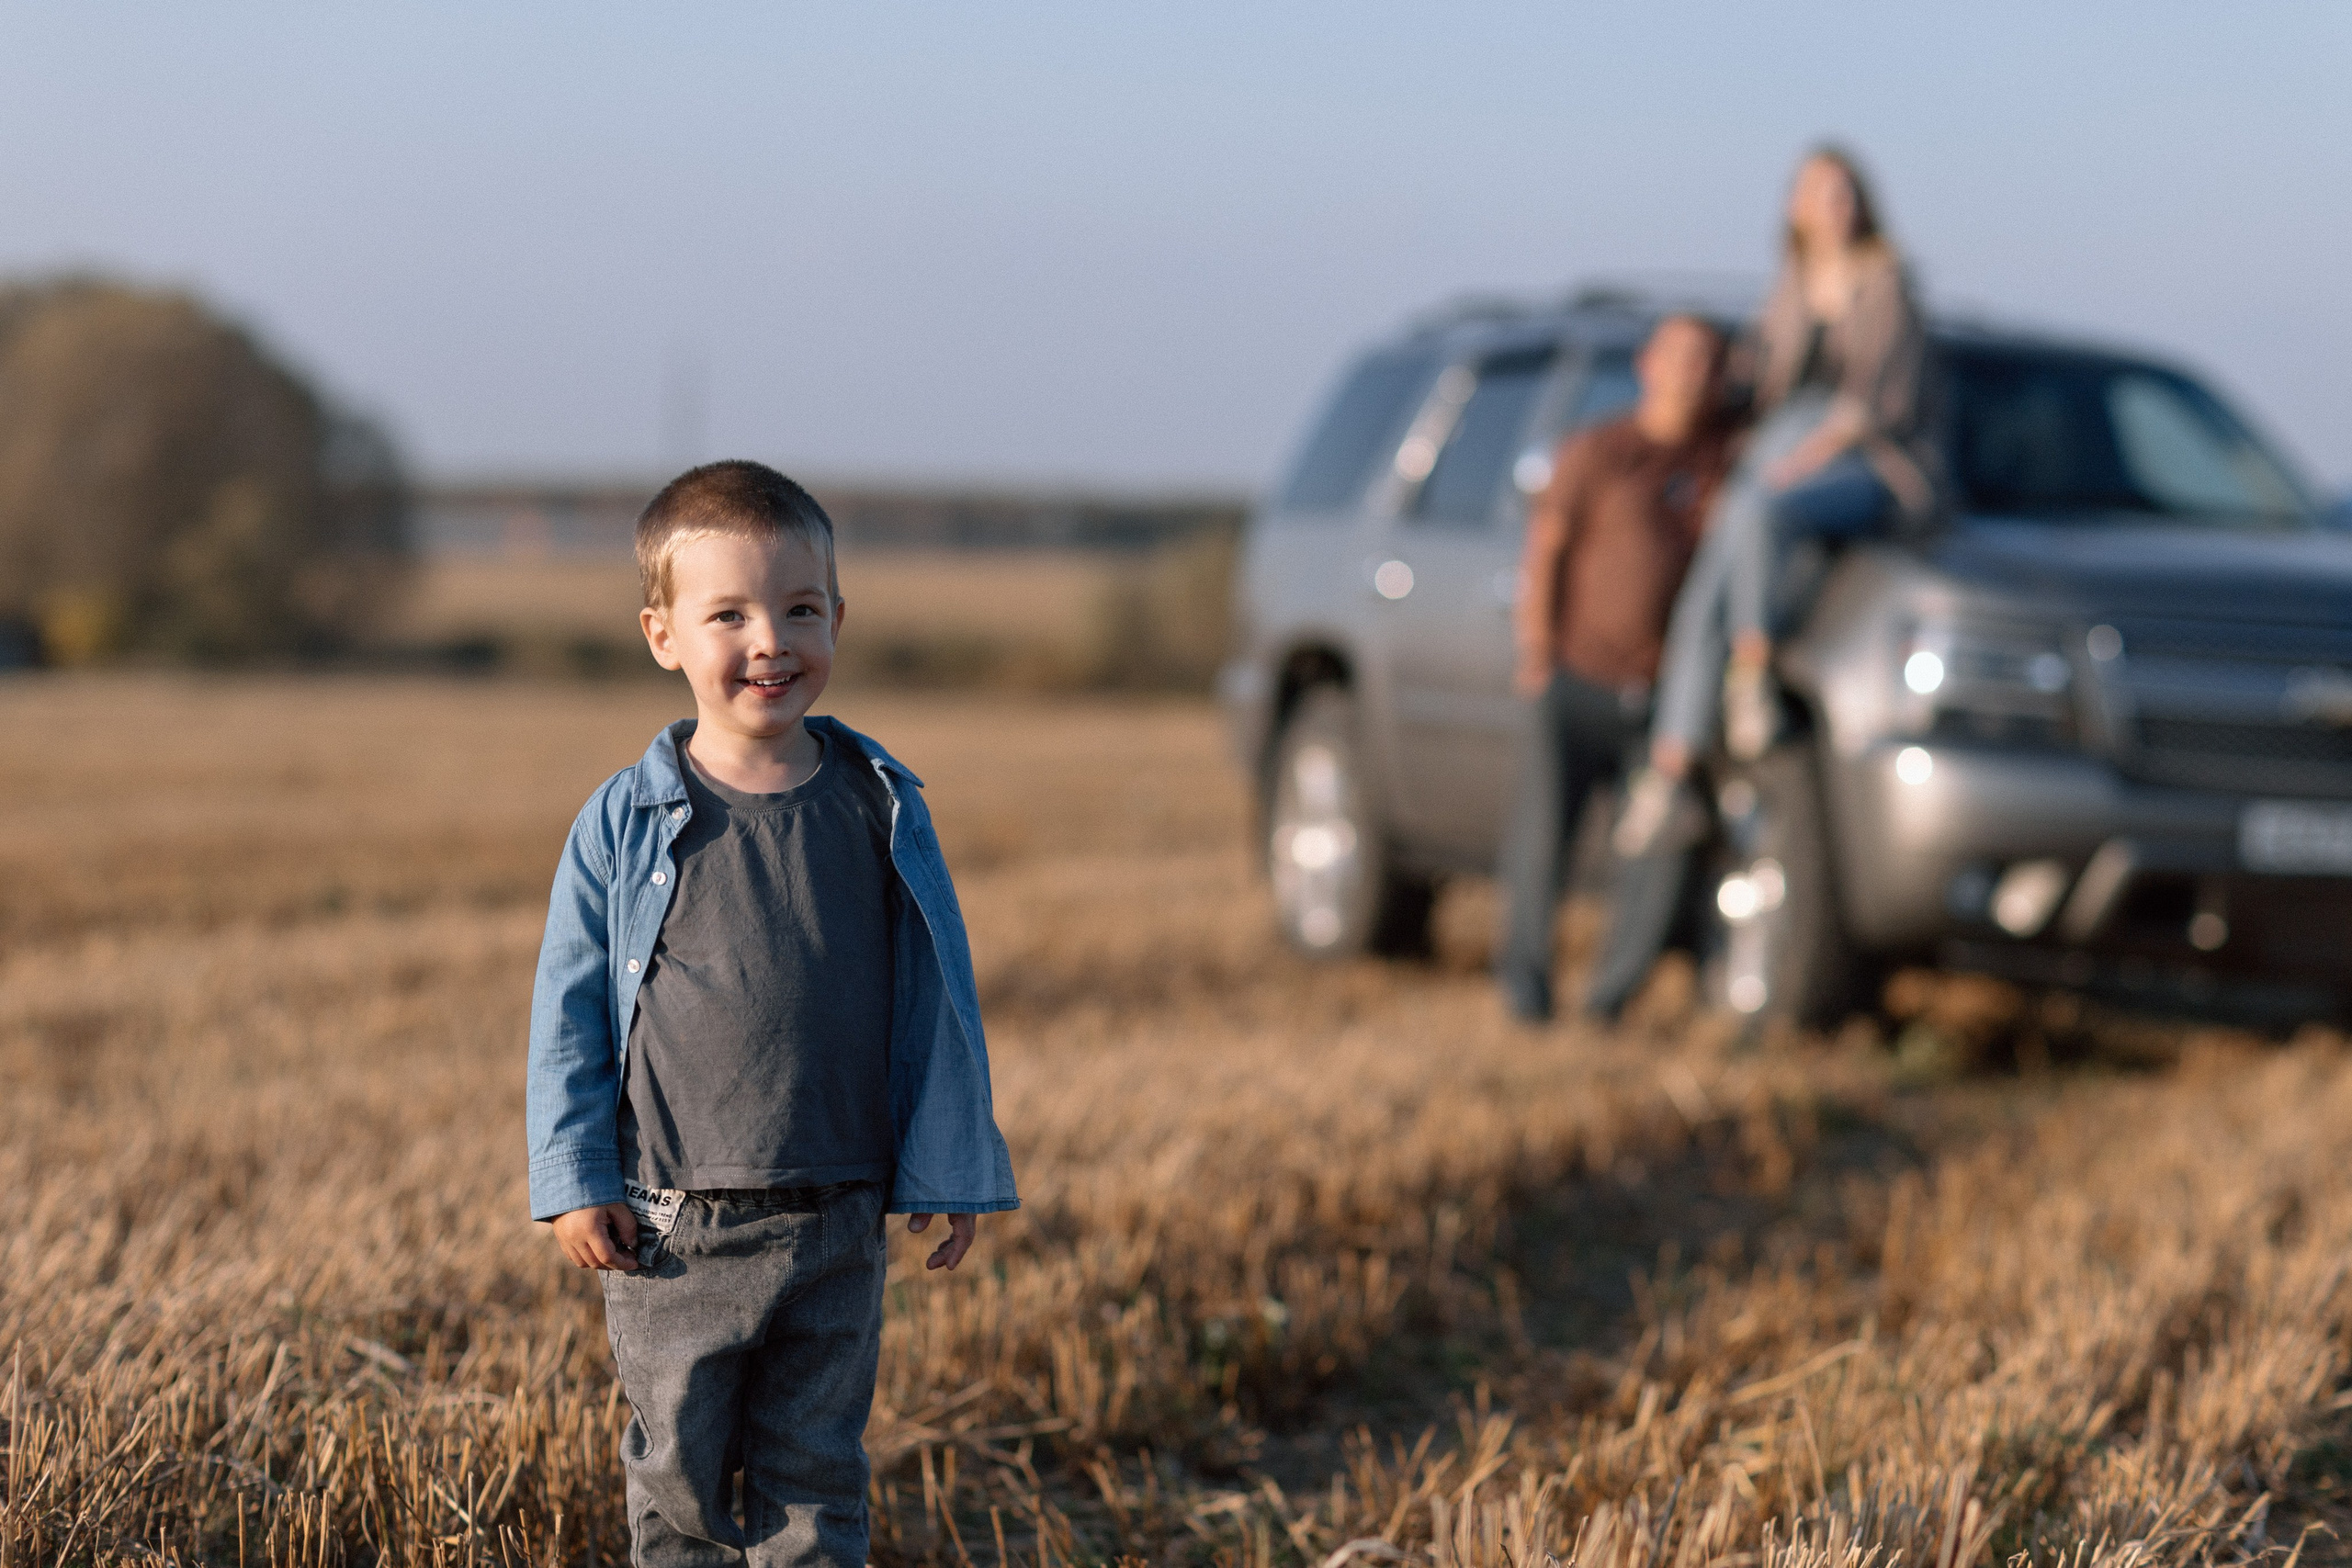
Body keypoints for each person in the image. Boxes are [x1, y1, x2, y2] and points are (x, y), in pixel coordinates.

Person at [526, 461, 1019, 1567]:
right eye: (730, 614)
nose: (771, 640)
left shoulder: (876, 803)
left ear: (838, 618)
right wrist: (572, 1179)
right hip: (669, 1223)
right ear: (662, 635)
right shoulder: (625, 820)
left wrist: (947, 1165)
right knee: (682, 1486)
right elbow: (567, 1012)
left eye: (800, 609)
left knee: (816, 1484)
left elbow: (938, 996)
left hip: (839, 1210)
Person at [1619, 145, 1939, 852]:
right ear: (1795, 207)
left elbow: (1881, 401)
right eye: (1821, 192)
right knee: (1707, 588)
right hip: (1783, 447)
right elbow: (1760, 383)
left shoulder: (1887, 282)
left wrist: (1802, 459)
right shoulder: (1792, 284)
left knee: (1760, 509)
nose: (1836, 205)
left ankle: (1752, 675)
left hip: (1864, 455)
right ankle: (1669, 768)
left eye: (1845, 191)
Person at [1496, 314, 1736, 1022]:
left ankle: (1608, 999)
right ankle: (1527, 991)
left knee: (1656, 851)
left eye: (1709, 361)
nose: (1695, 372)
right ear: (1648, 366)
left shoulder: (1721, 458)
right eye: (1683, 357)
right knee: (1542, 843)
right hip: (1577, 678)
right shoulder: (1600, 450)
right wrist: (1536, 654)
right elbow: (1547, 551)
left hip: (1664, 700)